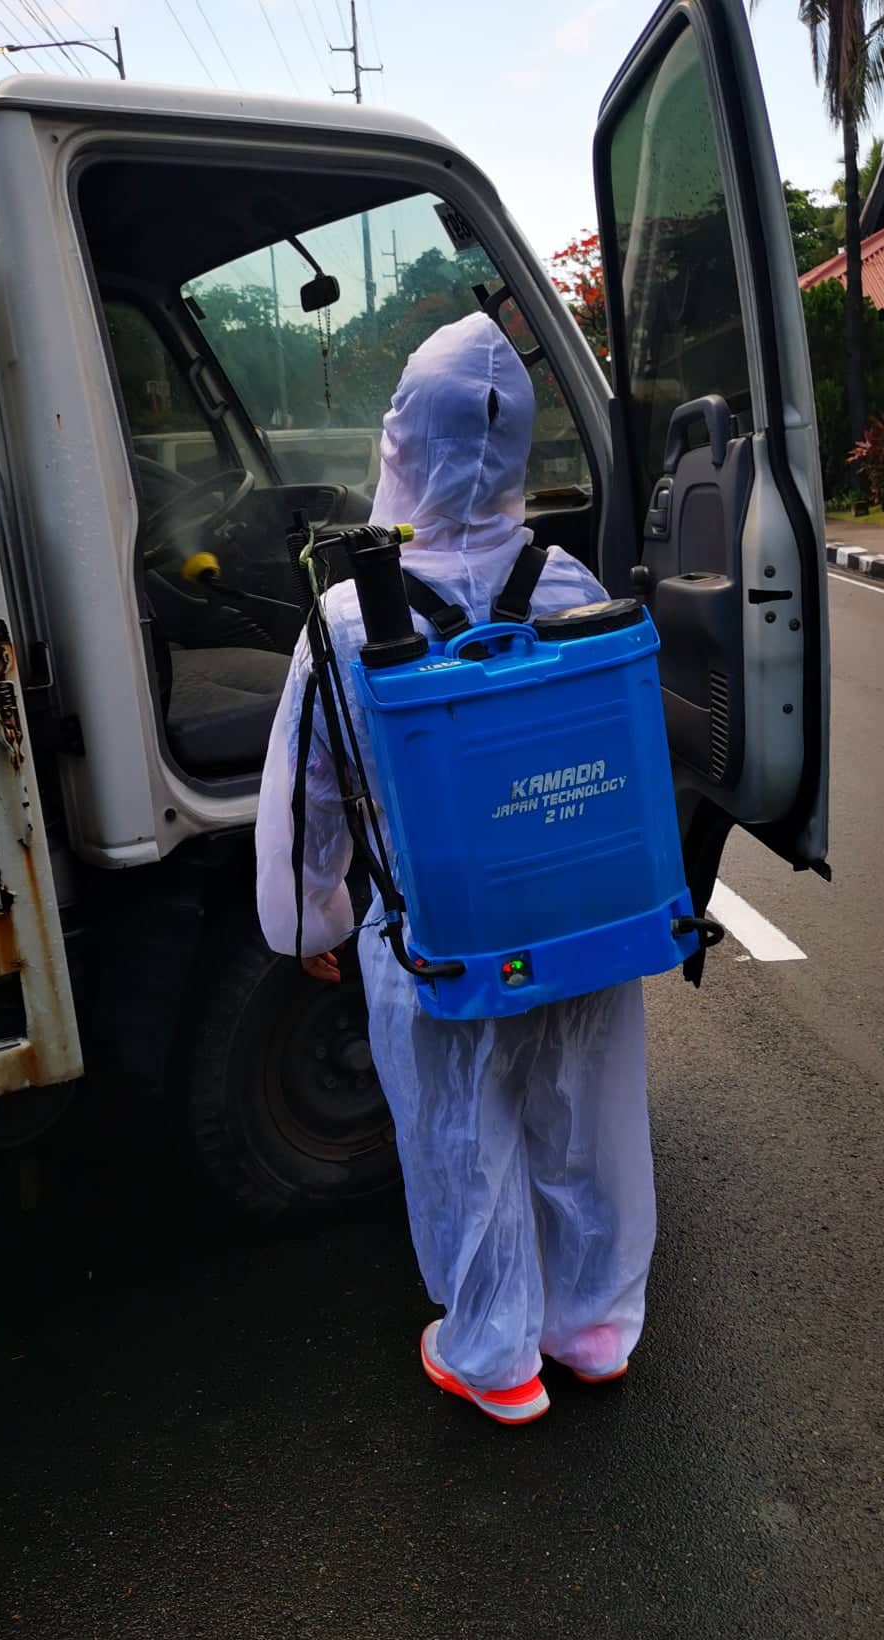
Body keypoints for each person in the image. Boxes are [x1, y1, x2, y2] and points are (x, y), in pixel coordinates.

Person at [255, 314, 658, 1426]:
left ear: (400, 443)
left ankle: (495, 1357)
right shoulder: (569, 581)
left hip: (434, 937)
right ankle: (596, 1330)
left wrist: (312, 922)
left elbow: (307, 793)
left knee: (461, 1136)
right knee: (587, 1117)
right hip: (578, 915)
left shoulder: (347, 616)